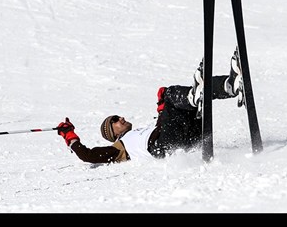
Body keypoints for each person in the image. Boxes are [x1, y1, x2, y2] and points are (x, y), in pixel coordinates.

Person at [57, 49, 243, 163]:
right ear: (112, 133)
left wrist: (162, 109)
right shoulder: (119, 147)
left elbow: (166, 125)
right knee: (170, 94)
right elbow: (88, 155)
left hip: (188, 139)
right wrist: (70, 136)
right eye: (115, 120)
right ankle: (193, 97)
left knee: (186, 99)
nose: (120, 118)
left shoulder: (140, 131)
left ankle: (229, 86)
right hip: (164, 146)